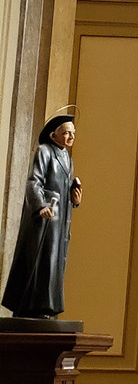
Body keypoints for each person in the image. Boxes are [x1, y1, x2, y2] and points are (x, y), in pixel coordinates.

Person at [1, 115, 82, 318]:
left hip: (61, 217)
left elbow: (66, 186)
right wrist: (40, 206)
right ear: (53, 135)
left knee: (57, 260)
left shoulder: (68, 159)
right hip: (46, 216)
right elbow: (33, 182)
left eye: (73, 132)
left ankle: (49, 306)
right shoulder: (44, 151)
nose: (71, 136)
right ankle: (32, 305)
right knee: (43, 259)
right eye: (66, 132)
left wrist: (75, 198)